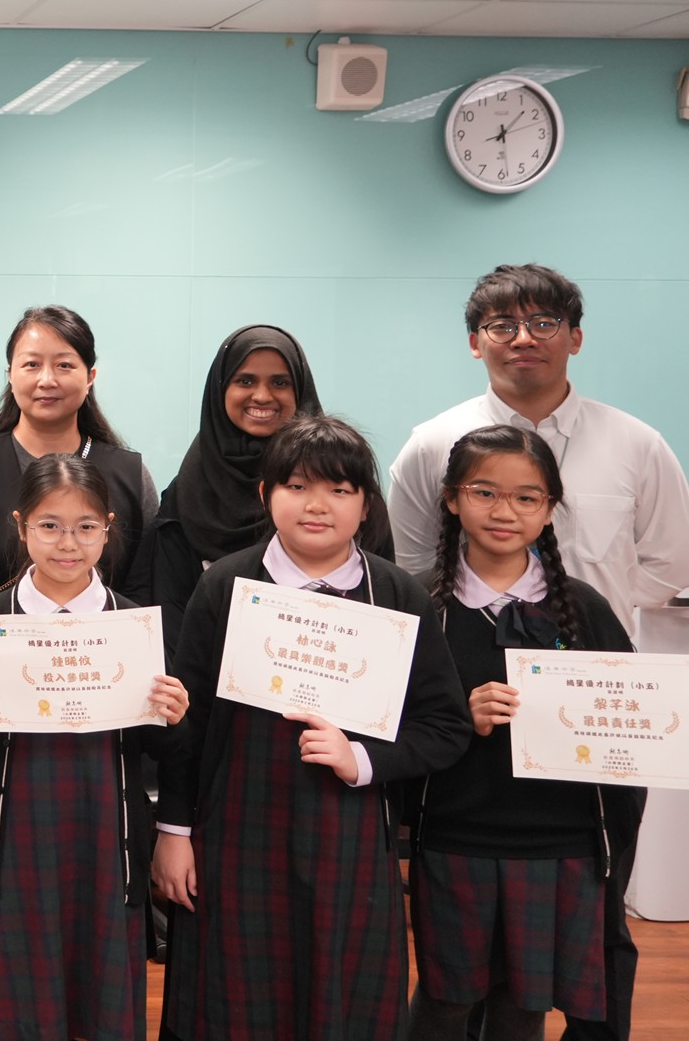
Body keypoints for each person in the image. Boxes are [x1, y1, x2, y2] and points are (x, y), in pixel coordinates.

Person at [153, 415, 472, 1040]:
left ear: (366, 504)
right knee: (232, 998)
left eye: (339, 489)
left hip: (347, 834)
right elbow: (192, 726)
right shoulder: (225, 585)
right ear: (265, 493)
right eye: (296, 486)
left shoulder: (395, 595)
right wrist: (174, 830)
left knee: (340, 997)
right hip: (235, 830)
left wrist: (363, 760)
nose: (317, 505)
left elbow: (445, 726)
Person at [0, 303, 157, 996]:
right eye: (31, 363)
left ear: (90, 374)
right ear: (10, 373)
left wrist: (89, 655)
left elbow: (143, 585)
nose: (46, 378)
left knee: (95, 858)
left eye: (63, 364)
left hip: (102, 699)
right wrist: (12, 653)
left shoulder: (126, 470)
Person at [407, 425, 644, 1041]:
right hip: (455, 837)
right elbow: (393, 728)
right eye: (484, 492)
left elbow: (630, 736)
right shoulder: (421, 607)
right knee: (445, 1000)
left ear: (549, 508)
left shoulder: (583, 609)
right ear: (452, 499)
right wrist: (459, 716)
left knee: (524, 1003)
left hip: (559, 844)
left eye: (526, 497)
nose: (504, 511)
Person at [0, 453, 187, 1039]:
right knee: (16, 997)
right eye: (49, 526)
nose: (67, 543)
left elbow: (162, 746)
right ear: (21, 526)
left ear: (107, 528)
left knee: (102, 994)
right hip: (14, 831)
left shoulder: (133, 624)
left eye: (85, 527)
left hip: (106, 831)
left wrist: (174, 716)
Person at [389, 263, 689, 635]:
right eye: (502, 326)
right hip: (464, 656)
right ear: (475, 344)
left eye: (544, 324)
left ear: (575, 338)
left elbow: (673, 560)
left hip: (591, 656)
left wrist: (600, 603)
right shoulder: (431, 444)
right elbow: (412, 565)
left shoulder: (638, 444)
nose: (523, 339)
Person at [136, 324, 394, 648]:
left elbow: (381, 600)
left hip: (335, 661)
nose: (262, 396)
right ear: (220, 389)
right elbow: (171, 607)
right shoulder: (190, 490)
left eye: (280, 383)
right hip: (214, 671)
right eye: (245, 381)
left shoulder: (348, 481)